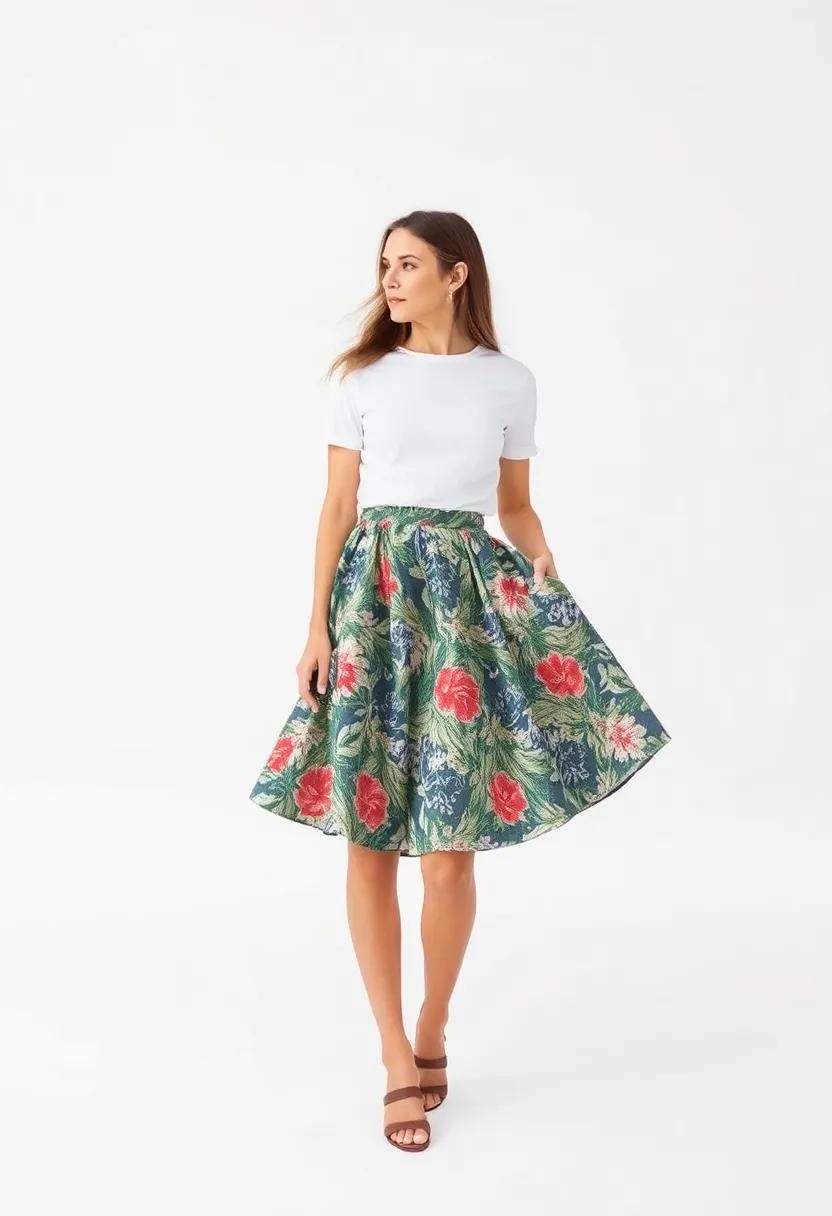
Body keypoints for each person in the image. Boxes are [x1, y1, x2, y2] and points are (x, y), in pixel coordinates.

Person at [249, 210, 671, 1152]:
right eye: (384, 265)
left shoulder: (508, 382)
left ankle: (434, 1022)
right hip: (374, 603)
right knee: (368, 835)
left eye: (407, 264)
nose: (390, 280)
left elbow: (514, 505)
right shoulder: (361, 379)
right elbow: (337, 505)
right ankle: (394, 1054)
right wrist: (315, 625)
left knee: (449, 850)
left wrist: (545, 567)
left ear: (456, 273)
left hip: (468, 606)